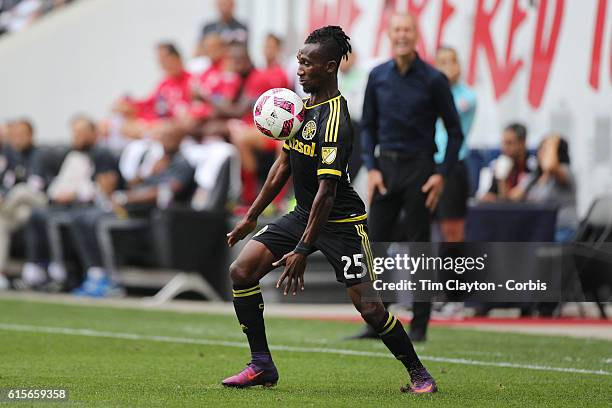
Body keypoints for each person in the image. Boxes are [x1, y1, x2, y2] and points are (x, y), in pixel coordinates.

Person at [221, 25, 437, 394]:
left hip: (341, 223)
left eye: (308, 63)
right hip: (304, 214)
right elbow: (283, 165)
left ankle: (419, 374)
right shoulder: (301, 110)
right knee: (241, 271)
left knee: (370, 308)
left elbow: (327, 192)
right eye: (299, 61)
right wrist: (253, 215)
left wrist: (303, 250)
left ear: (330, 67)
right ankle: (261, 365)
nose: (300, 69)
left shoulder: (336, 120)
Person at [355, 13, 464, 342]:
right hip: (385, 168)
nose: (402, 35)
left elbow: (455, 132)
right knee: (375, 244)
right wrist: (371, 169)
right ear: (389, 35)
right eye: (397, 30)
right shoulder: (377, 76)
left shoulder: (433, 79)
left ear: (417, 36)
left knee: (419, 248)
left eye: (408, 30)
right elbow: (368, 127)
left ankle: (419, 325)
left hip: (420, 168)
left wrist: (441, 175)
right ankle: (377, 321)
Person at [19, 115, 118, 289]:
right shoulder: (73, 155)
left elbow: (106, 188)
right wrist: (57, 194)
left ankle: (96, 274)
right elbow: (61, 182)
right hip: (68, 205)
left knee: (82, 219)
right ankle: (40, 270)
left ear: (93, 134)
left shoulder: (102, 153)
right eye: (74, 133)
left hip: (95, 206)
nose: (76, 137)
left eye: (81, 133)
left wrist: (77, 194)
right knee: (37, 215)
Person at [434, 46, 477, 243]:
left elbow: (449, 112)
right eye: (442, 62)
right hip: (428, 162)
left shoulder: (468, 96)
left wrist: (440, 84)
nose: (448, 66)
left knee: (452, 229)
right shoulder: (430, 92)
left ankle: (455, 272)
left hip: (453, 165)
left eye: (452, 61)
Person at [0, 119, 47, 289]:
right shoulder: (11, 155)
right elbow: (6, 183)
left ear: (30, 135)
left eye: (21, 135)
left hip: (42, 202)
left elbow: (35, 185)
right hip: (19, 209)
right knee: (3, 222)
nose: (17, 139)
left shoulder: (39, 154)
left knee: (21, 190)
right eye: (14, 135)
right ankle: (1, 273)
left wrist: (5, 198)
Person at [508, 134, 577, 242]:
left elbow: (550, 166)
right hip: (539, 230)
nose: (541, 154)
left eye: (546, 150)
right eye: (540, 149)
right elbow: (513, 197)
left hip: (562, 230)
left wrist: (553, 142)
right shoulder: (535, 177)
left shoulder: (564, 172)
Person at [480, 123, 535, 202]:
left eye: (509, 143)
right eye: (503, 143)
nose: (504, 148)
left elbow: (514, 199)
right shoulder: (498, 164)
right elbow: (488, 195)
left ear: (522, 143)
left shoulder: (533, 166)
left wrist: (502, 179)